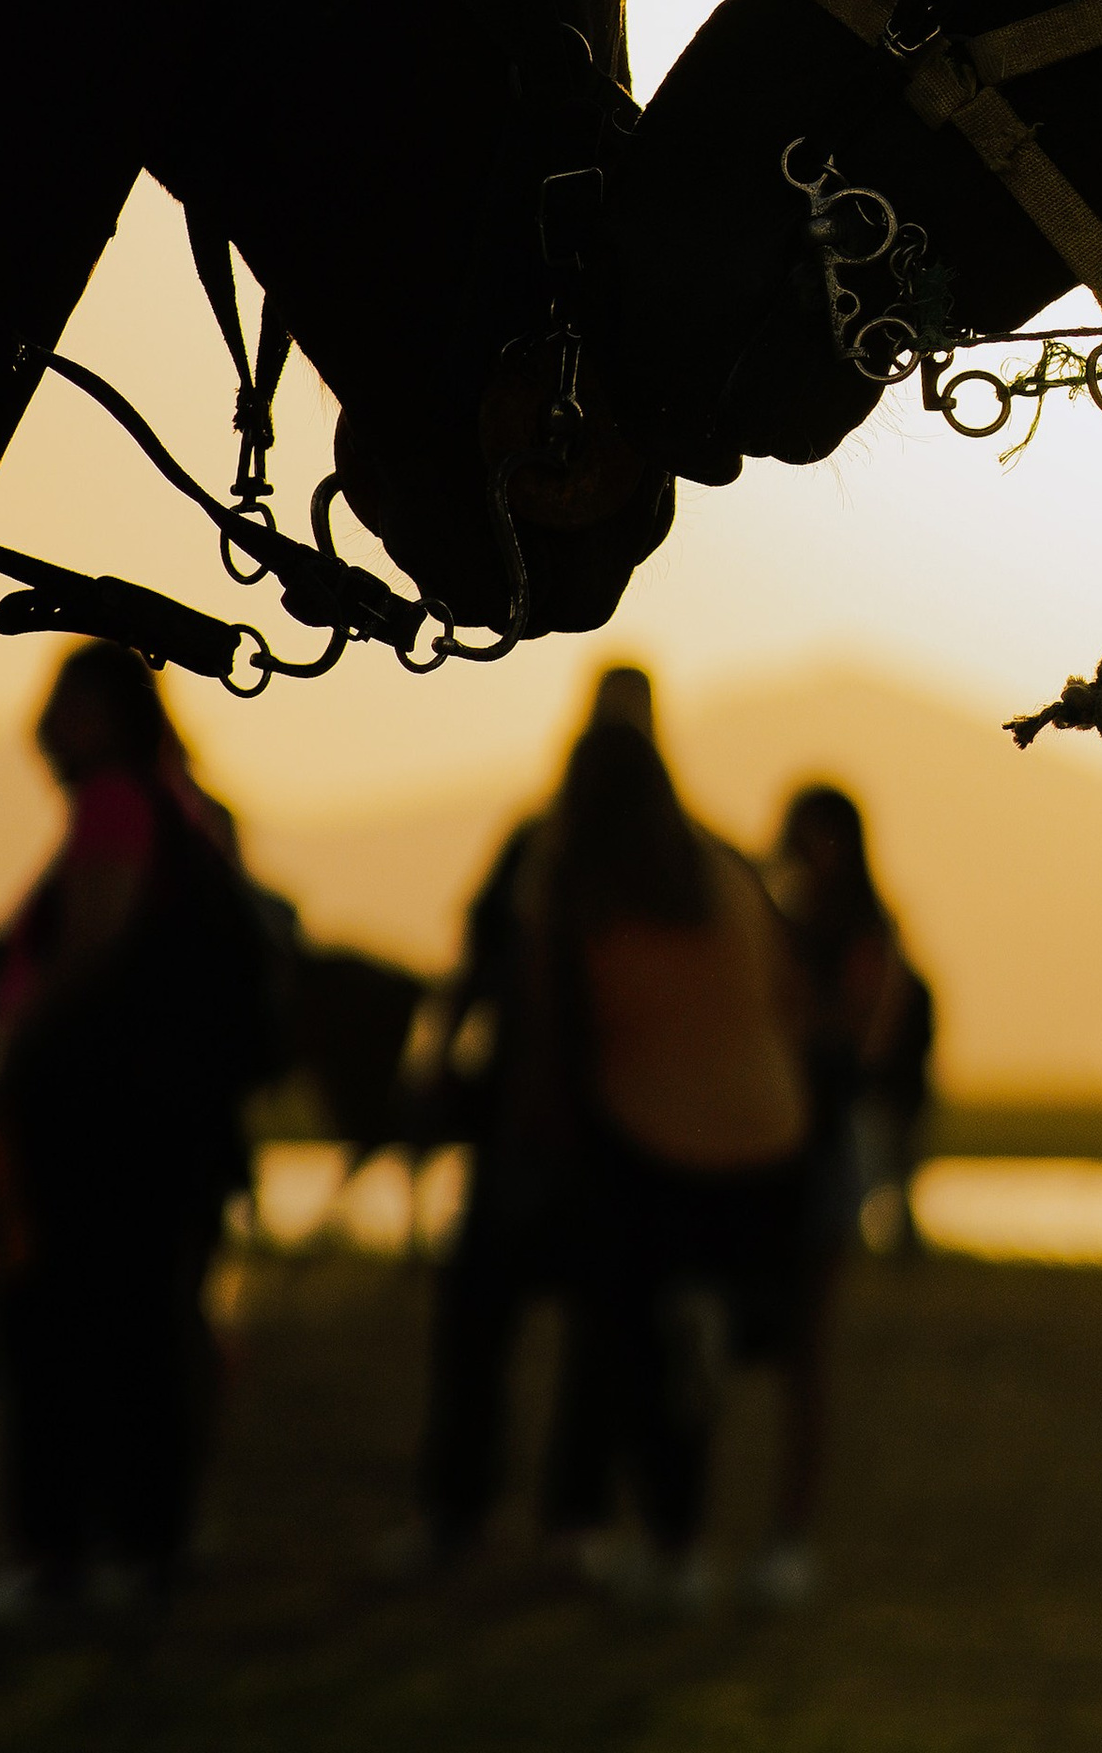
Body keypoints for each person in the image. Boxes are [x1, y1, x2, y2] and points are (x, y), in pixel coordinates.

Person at [0, 641, 284, 1623]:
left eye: (70, 704)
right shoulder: (189, 807)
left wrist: (13, 1049)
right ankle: (148, 1546)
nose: (54, 723)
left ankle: (59, 1554)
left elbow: (92, 942)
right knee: (150, 1334)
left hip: (99, 1121)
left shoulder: (116, 806)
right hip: (173, 1125)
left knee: (61, 1335)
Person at [376, 669, 652, 1575]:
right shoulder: (615, 847)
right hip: (564, 1119)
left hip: (582, 1121)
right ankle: (501, 1516)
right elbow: (476, 956)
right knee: (507, 1326)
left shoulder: (587, 845)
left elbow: (474, 958)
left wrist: (436, 1064)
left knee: (547, 1329)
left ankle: (512, 1517)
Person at [538, 714, 813, 1614]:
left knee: (639, 1351)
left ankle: (675, 1545)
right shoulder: (723, 867)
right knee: (711, 1331)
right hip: (767, 1130)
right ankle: (727, 1326)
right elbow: (785, 991)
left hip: (652, 1136)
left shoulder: (587, 886)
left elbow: (566, 1032)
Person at [763, 783, 927, 1577]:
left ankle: (790, 1536)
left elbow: (858, 1029)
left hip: (820, 1144)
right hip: (773, 1139)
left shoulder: (856, 929)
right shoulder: (783, 922)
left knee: (804, 1351)